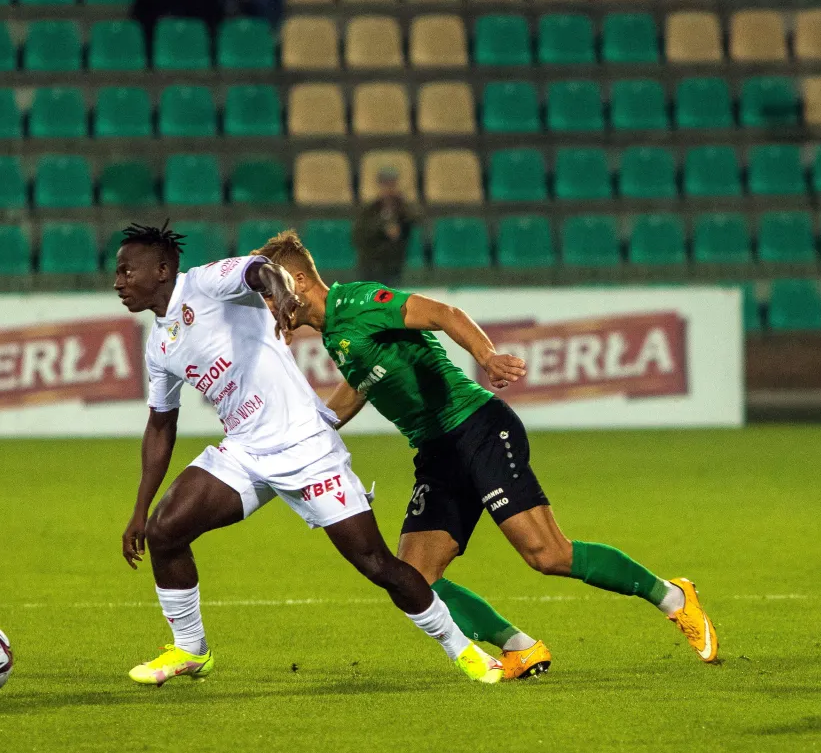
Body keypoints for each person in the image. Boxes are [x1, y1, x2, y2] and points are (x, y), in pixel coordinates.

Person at [251, 230, 719, 680]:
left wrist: (487, 356)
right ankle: (519, 647)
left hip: (478, 428)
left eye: (271, 295)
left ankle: (672, 596)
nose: (267, 307)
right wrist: (318, 430)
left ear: (301, 284)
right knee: (413, 577)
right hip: (436, 451)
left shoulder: (358, 302)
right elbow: (363, 382)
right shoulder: (334, 333)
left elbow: (444, 314)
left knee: (547, 554)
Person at [113, 222, 504, 686]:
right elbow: (161, 426)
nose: (118, 282)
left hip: (307, 449)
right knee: (164, 530)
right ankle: (190, 650)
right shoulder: (159, 345)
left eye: (125, 271)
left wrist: (279, 297)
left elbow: (261, 270)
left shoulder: (205, 283)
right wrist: (139, 509)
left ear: (161, 270)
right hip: (244, 451)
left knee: (377, 565)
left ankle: (463, 649)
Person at [352, 168, 416, 285]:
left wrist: (402, 205)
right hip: (373, 264)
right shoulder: (369, 210)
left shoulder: (403, 208)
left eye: (392, 185)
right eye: (386, 185)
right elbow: (358, 236)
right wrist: (382, 228)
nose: (389, 189)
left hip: (397, 261)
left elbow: (417, 220)